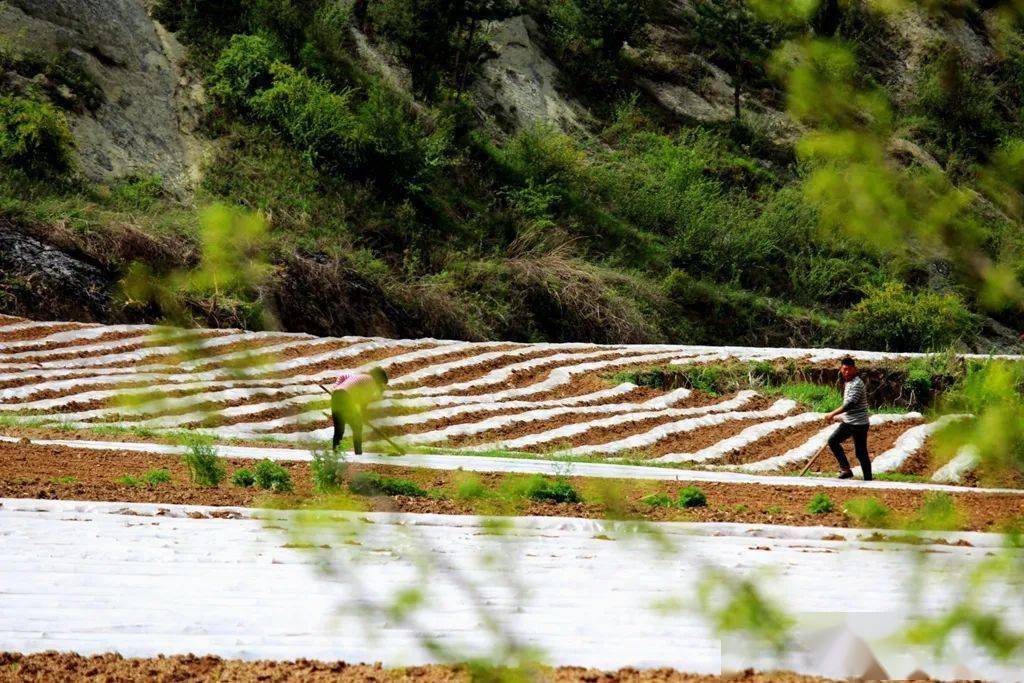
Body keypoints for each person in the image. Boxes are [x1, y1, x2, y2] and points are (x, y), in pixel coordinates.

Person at [823, 356, 871, 480]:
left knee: (836, 442)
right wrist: (841, 416)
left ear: (855, 369)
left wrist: (832, 414)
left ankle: (855, 474)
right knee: (858, 451)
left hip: (857, 423)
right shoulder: (848, 382)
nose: (847, 372)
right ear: (841, 369)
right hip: (854, 421)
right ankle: (855, 473)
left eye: (849, 369)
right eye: (844, 369)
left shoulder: (856, 384)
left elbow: (850, 405)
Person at [331, 367, 388, 454]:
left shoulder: (360, 376)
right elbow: (364, 401)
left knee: (339, 429)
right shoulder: (371, 382)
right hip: (345, 397)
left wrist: (336, 387)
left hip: (336, 395)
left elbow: (343, 377)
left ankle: (335, 453)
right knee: (357, 426)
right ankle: (358, 453)